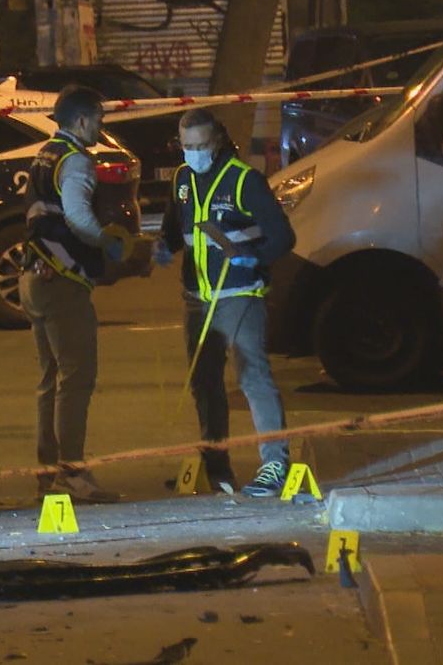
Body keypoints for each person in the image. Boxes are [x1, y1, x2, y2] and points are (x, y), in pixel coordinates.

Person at [155, 108, 297, 497]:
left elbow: (284, 237)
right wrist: (164, 247)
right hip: (198, 298)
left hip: (238, 295)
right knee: (205, 383)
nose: (194, 153)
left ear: (217, 141)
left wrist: (255, 259)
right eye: (187, 146)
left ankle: (275, 465)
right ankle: (216, 468)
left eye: (201, 145)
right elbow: (174, 226)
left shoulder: (243, 181)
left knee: (252, 377)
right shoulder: (183, 180)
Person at [19, 85, 126, 503]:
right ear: (81, 120)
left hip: (35, 276)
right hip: (62, 282)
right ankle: (73, 472)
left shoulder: (46, 153)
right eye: (98, 118)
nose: (101, 125)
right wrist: (106, 241)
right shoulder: (77, 160)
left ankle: (47, 471)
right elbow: (79, 218)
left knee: (50, 379)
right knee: (77, 379)